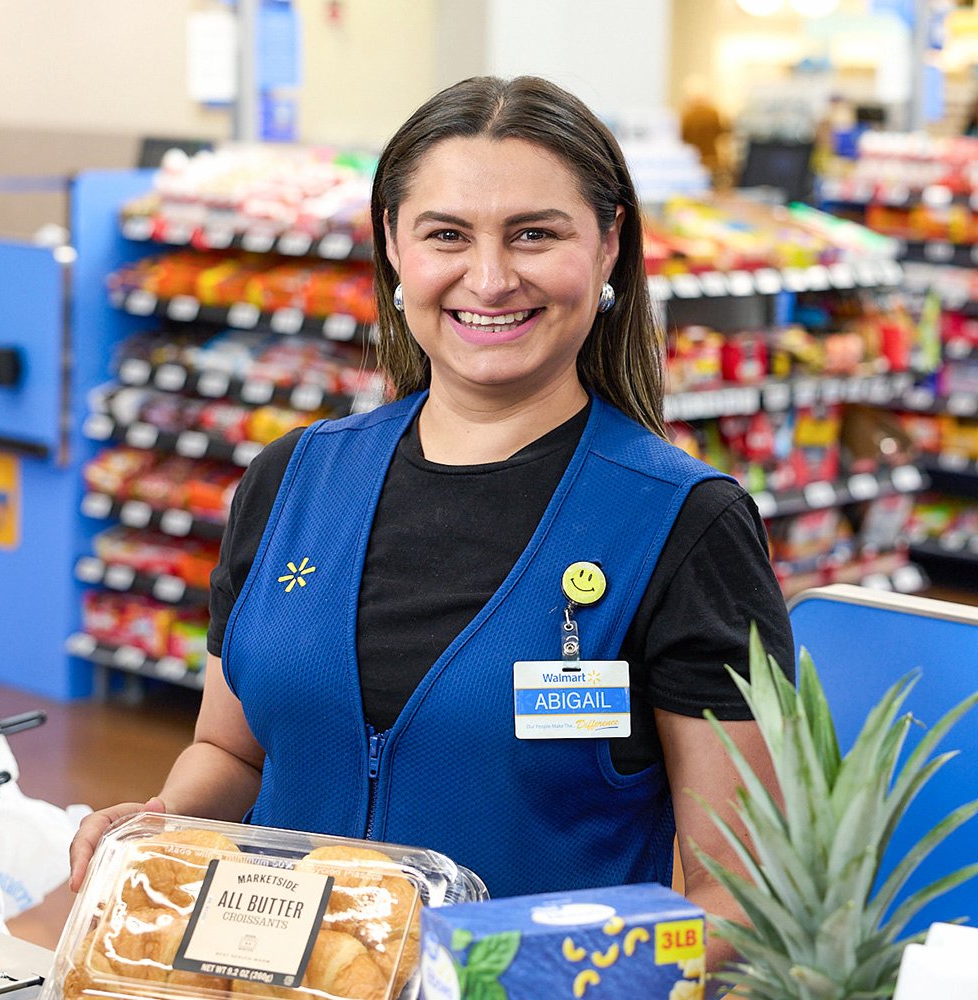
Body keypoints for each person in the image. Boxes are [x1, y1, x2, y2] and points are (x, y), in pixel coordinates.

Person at [70, 75, 794, 979]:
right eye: (447, 234)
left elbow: (740, 894)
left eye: (536, 233)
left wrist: (515, 976)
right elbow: (229, 751)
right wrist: (154, 832)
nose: (489, 278)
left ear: (609, 246)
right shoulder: (291, 479)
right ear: (393, 248)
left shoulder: (684, 524)